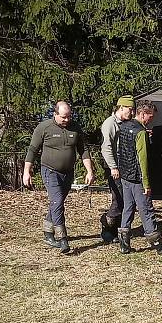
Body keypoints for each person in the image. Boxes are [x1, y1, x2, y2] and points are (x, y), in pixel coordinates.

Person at [23, 101, 94, 253]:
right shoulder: (44, 128)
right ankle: (63, 239)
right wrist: (26, 171)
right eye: (63, 117)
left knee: (57, 202)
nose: (67, 120)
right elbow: (32, 150)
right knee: (58, 201)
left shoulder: (75, 128)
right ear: (55, 114)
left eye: (69, 116)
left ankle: (48, 232)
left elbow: (83, 150)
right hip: (50, 171)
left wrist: (89, 171)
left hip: (68, 173)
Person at [116, 99, 162, 255]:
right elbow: (142, 160)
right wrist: (146, 184)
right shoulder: (140, 133)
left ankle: (124, 243)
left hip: (125, 176)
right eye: (150, 117)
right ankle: (158, 243)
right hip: (138, 178)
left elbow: (123, 150)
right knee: (146, 210)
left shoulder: (124, 126)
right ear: (142, 113)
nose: (152, 120)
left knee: (128, 208)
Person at [98, 95, 135, 243]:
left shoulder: (125, 123)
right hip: (114, 168)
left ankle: (117, 230)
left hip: (123, 167)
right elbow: (106, 147)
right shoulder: (110, 124)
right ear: (121, 108)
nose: (131, 113)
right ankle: (106, 226)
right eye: (129, 109)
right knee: (118, 200)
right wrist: (113, 167)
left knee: (124, 199)